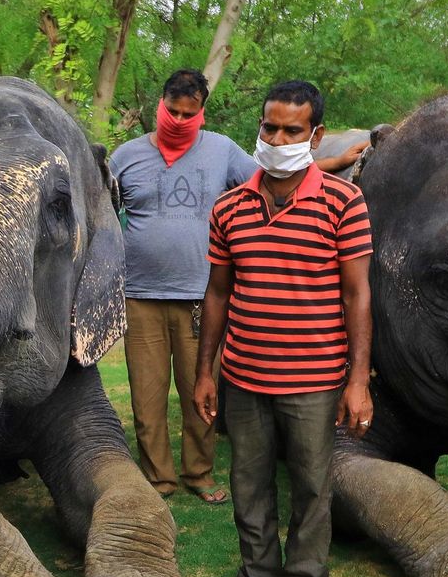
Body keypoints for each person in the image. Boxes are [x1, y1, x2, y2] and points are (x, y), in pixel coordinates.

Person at [111, 70, 365, 506]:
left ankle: (199, 473)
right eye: (171, 111)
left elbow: (277, 172)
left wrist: (333, 165)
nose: (178, 120)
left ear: (201, 113)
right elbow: (103, 215)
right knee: (146, 397)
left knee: (200, 392)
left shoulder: (221, 150)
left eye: (188, 114)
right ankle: (159, 481)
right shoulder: (125, 156)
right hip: (140, 294)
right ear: (159, 105)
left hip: (199, 294)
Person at [191, 81, 374, 577]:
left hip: (314, 376)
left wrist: (358, 379)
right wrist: (207, 371)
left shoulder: (344, 201)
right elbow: (218, 292)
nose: (276, 138)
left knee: (312, 482)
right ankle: (256, 574)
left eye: (292, 130)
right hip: (244, 374)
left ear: (315, 135)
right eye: (269, 127)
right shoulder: (230, 206)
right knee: (248, 480)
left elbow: (357, 294)